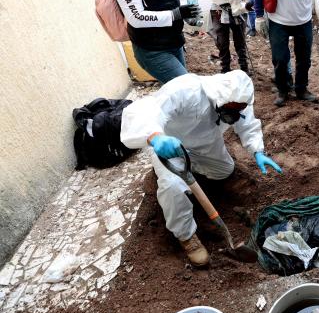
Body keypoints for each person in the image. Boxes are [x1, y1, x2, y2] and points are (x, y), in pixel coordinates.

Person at [120, 71, 282, 266]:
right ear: (219, 100)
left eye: (237, 110)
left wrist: (257, 150)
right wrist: (155, 136)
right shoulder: (185, 90)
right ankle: (186, 236)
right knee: (172, 186)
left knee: (224, 171)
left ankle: (190, 175)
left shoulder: (239, 98)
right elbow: (142, 111)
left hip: (205, 144)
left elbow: (246, 122)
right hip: (171, 146)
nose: (234, 114)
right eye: (230, 110)